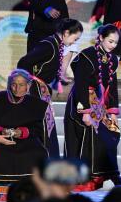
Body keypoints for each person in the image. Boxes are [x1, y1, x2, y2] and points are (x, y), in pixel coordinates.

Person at [64, 24, 121, 191]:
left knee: (111, 133)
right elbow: (81, 84)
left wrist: (112, 112)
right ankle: (82, 178)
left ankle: (108, 174)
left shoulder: (112, 59)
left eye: (116, 42)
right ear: (101, 38)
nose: (113, 45)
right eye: (110, 41)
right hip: (82, 100)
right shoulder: (87, 56)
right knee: (87, 136)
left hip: (99, 104)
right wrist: (85, 112)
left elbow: (112, 86)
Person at [17, 18, 84, 156]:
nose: (74, 42)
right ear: (66, 33)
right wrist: (27, 84)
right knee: (42, 126)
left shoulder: (56, 44)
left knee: (47, 126)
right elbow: (24, 62)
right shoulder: (49, 45)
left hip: (42, 90)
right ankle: (43, 158)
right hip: (36, 90)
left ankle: (49, 158)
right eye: (75, 38)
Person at [0, 69, 49, 183]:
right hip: (0, 139)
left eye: (21, 85)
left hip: (27, 140)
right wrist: (1, 131)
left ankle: (32, 181)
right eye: (14, 84)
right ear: (9, 84)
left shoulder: (37, 105)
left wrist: (22, 132)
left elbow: (38, 129)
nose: (17, 88)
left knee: (37, 152)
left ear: (28, 86)